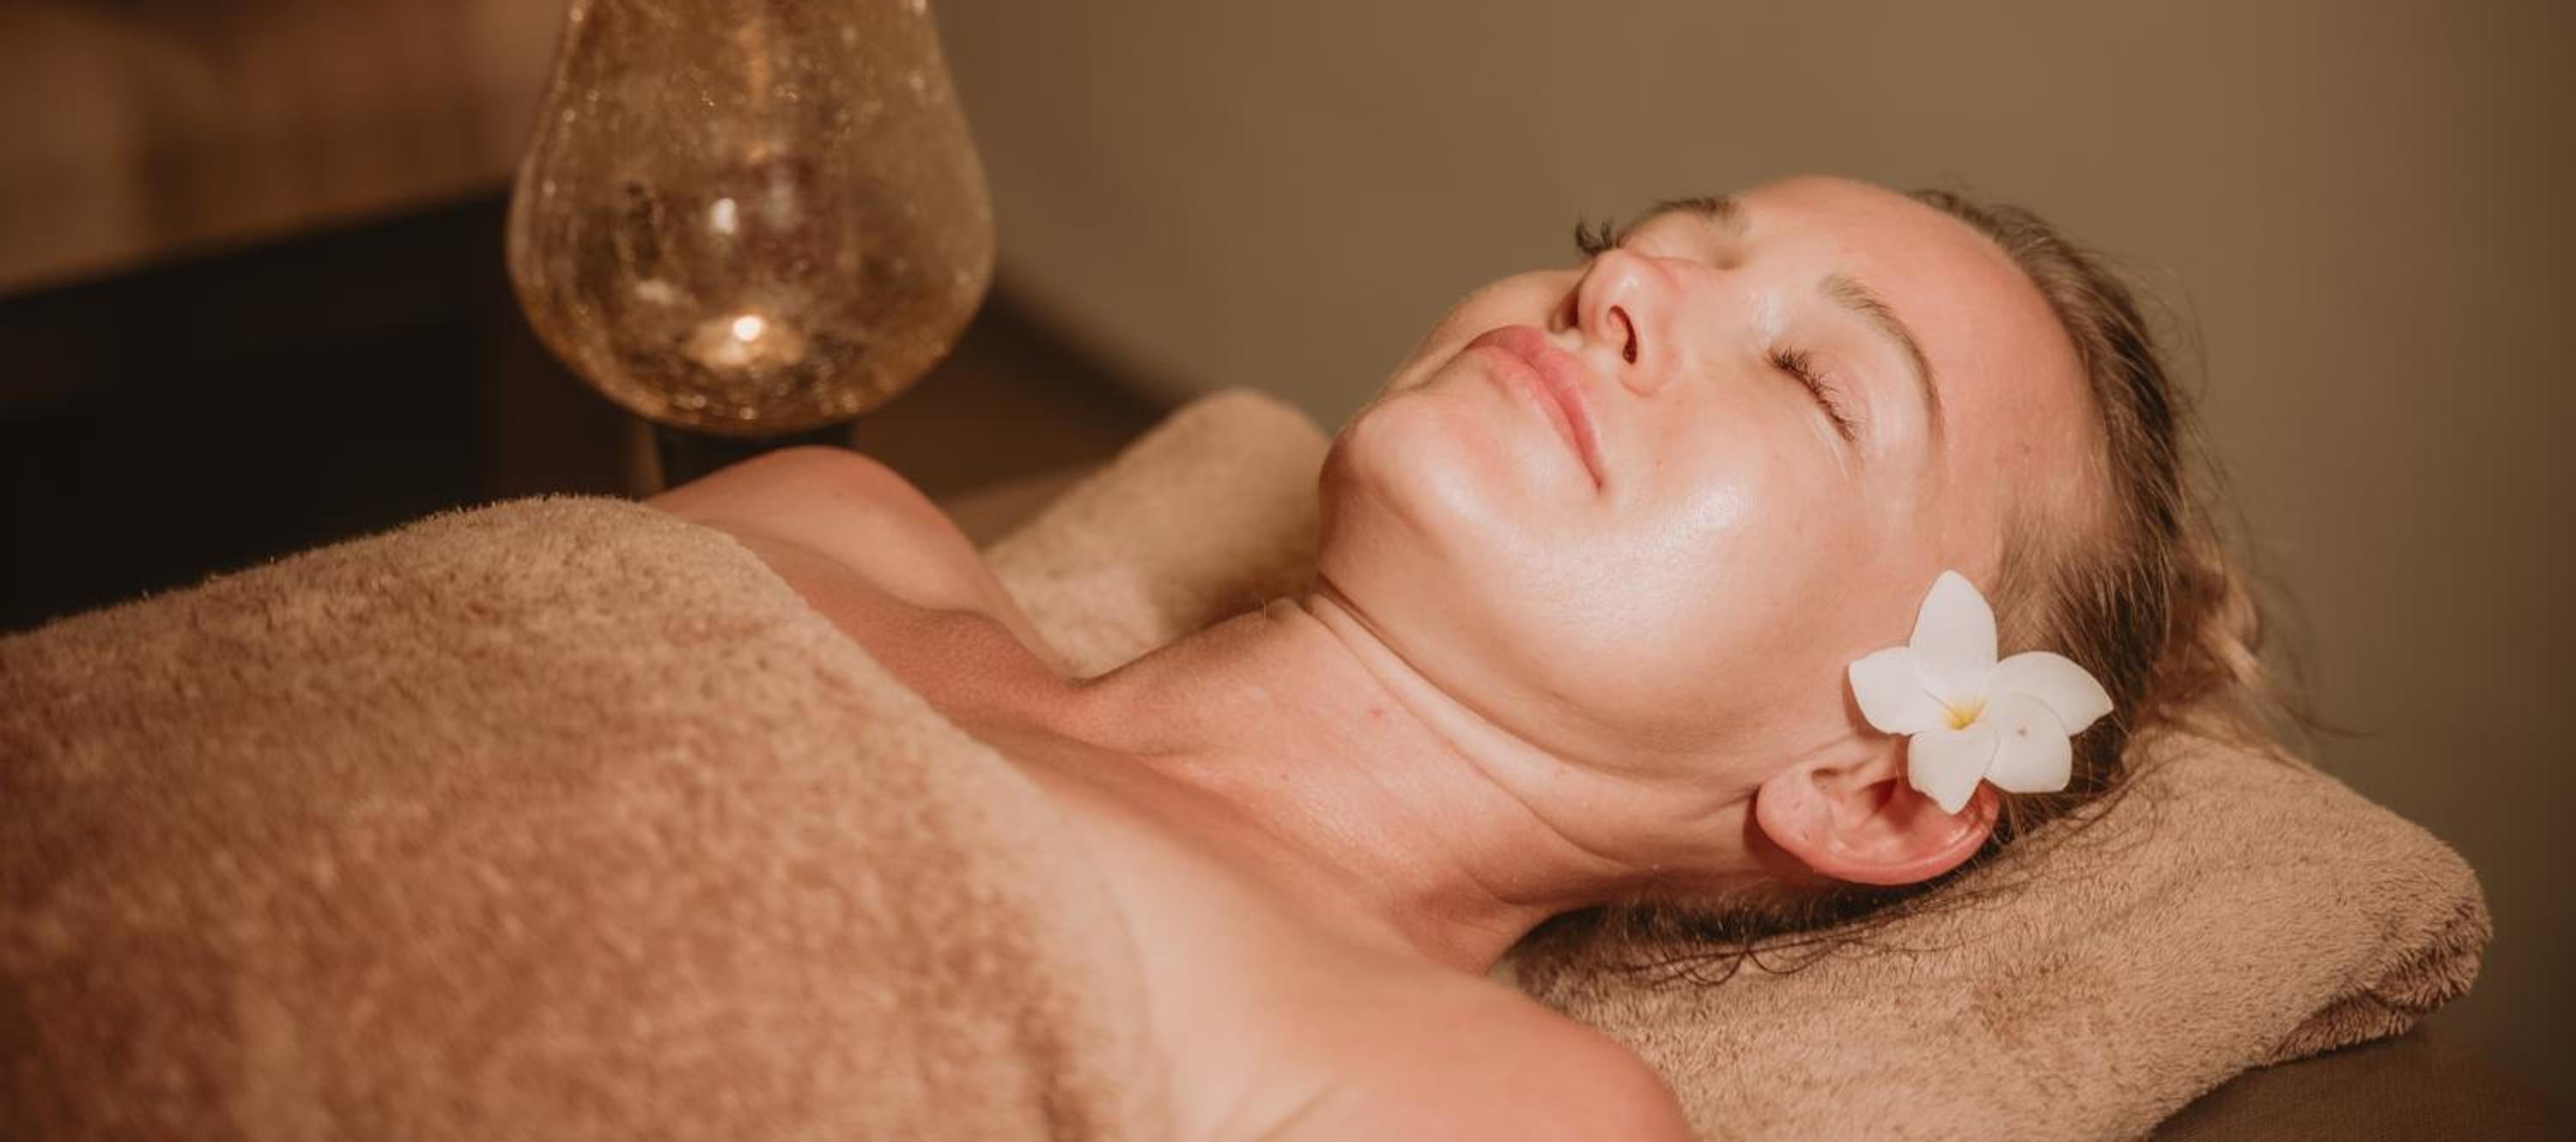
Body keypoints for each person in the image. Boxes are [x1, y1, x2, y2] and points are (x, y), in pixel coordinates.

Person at [650, 173, 2276, 1140]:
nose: (1620, 279)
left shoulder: (1489, 1107)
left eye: (1811, 379)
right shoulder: (830, 525)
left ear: (1870, 791)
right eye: (1634, 235)